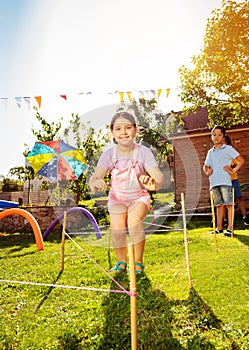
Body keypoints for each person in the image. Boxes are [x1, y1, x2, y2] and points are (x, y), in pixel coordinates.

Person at [89, 111, 164, 274]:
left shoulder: (143, 152)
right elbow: (93, 180)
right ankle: (121, 262)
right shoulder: (108, 155)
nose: (123, 132)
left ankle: (137, 263)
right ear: (112, 133)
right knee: (117, 228)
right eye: (118, 129)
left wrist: (153, 184)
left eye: (128, 127)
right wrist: (96, 182)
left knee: (133, 221)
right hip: (117, 198)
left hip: (139, 198)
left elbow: (159, 178)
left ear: (136, 130)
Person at [203, 125, 245, 236]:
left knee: (229, 205)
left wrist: (233, 170)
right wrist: (207, 171)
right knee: (219, 205)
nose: (216, 137)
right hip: (214, 182)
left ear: (223, 137)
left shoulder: (228, 149)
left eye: (219, 135)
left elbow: (241, 160)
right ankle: (219, 228)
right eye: (214, 135)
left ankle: (230, 228)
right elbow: (205, 165)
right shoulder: (210, 152)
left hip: (225, 182)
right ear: (211, 136)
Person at [223, 135, 249, 226]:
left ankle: (245, 218)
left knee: (239, 198)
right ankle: (225, 220)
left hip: (233, 179)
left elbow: (238, 163)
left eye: (224, 142)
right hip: (223, 181)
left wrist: (233, 169)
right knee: (225, 201)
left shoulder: (231, 153)